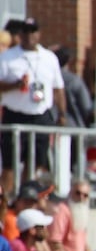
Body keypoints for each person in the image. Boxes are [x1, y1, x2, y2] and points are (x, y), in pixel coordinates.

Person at [0, 17, 66, 199]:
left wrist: (61, 113)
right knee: (10, 164)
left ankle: (25, 196)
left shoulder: (49, 57)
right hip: (15, 114)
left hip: (40, 114)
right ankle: (4, 200)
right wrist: (15, 85)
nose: (30, 36)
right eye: (26, 31)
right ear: (20, 34)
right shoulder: (7, 57)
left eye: (33, 31)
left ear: (39, 34)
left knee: (36, 162)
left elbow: (58, 88)